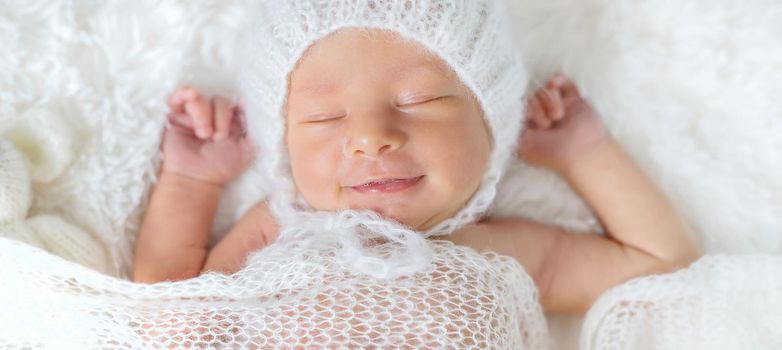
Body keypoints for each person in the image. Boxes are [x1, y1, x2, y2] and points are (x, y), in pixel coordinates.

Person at [133, 4, 700, 316]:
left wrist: (584, 152)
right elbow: (168, 313)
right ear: (280, 142)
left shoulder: (500, 254)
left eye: (420, 100)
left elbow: (659, 263)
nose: (371, 138)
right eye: (325, 117)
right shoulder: (281, 230)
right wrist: (191, 179)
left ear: (492, 126)